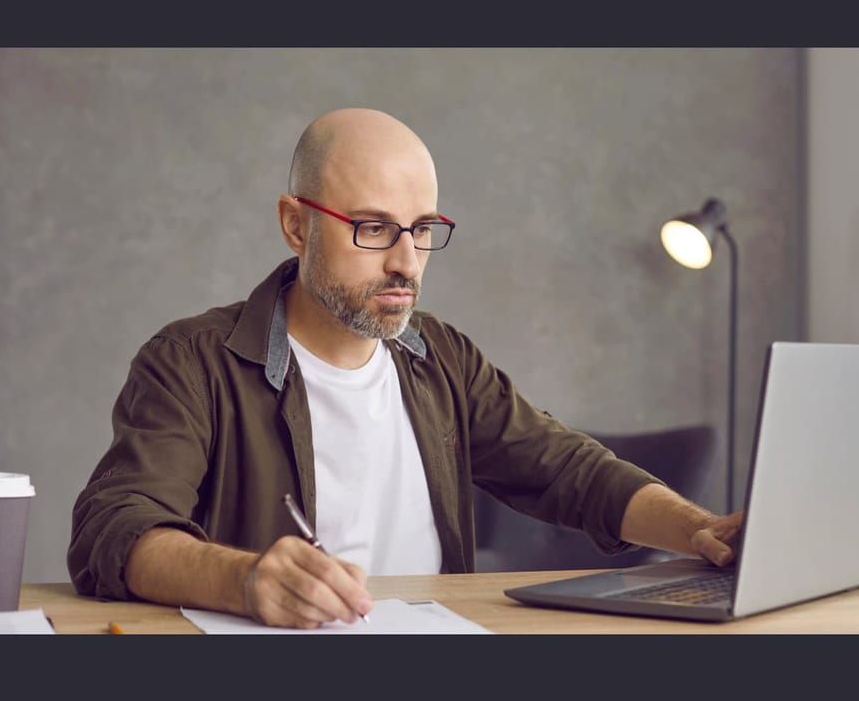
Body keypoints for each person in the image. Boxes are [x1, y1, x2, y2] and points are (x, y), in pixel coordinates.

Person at [67, 108, 743, 629]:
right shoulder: (192, 363)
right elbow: (115, 527)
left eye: (422, 228)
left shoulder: (441, 357)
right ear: (296, 226)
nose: (406, 260)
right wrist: (243, 580)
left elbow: (567, 469)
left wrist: (696, 530)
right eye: (372, 227)